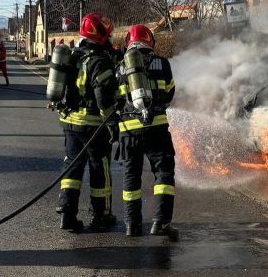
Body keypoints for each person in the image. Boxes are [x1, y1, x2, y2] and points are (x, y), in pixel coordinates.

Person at [56, 12, 119, 232]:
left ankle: (67, 213)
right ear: (99, 35)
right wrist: (111, 122)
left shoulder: (72, 56)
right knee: (99, 168)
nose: (109, 38)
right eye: (106, 34)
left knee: (72, 167)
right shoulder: (100, 61)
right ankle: (101, 216)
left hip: (70, 123)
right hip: (94, 125)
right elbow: (103, 97)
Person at [116, 24, 178, 240]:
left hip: (129, 132)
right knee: (163, 174)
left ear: (128, 42)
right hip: (157, 129)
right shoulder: (163, 63)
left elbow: (116, 98)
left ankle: (132, 225)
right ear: (150, 41)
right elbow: (170, 94)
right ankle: (161, 223)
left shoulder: (121, 66)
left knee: (131, 177)